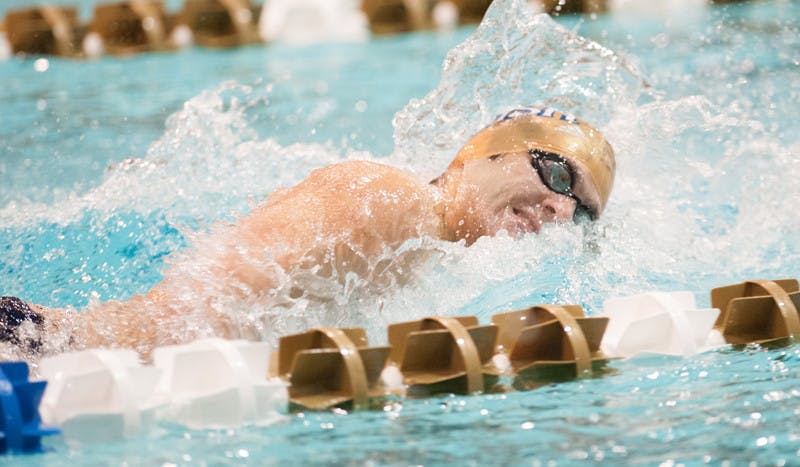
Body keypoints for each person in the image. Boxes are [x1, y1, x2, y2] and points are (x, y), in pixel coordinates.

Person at [0, 106, 615, 359]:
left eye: (582, 209)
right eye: (558, 173)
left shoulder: (435, 254)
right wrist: (45, 335)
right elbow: (189, 307)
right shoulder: (383, 201)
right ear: (481, 155)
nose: (562, 210)